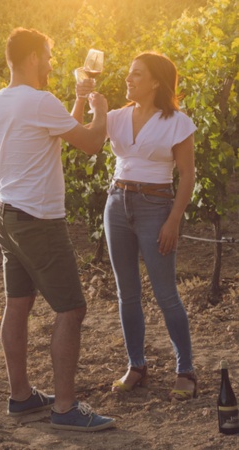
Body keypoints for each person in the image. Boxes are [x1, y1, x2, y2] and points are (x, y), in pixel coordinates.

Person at [0, 27, 115, 431]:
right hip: (39, 220)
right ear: (34, 57)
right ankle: (66, 409)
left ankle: (20, 397)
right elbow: (90, 142)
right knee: (72, 308)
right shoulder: (38, 101)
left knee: (18, 304)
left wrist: (76, 101)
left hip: (7, 216)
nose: (53, 64)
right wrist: (101, 109)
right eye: (49, 56)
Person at [103, 52, 197, 399]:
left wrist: (174, 219)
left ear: (156, 81)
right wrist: (83, 98)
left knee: (165, 294)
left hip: (156, 206)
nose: (129, 79)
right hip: (116, 203)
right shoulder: (115, 116)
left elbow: (187, 175)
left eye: (137, 74)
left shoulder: (177, 122)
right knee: (126, 293)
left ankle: (185, 369)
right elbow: (81, 136)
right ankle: (136, 365)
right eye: (129, 73)